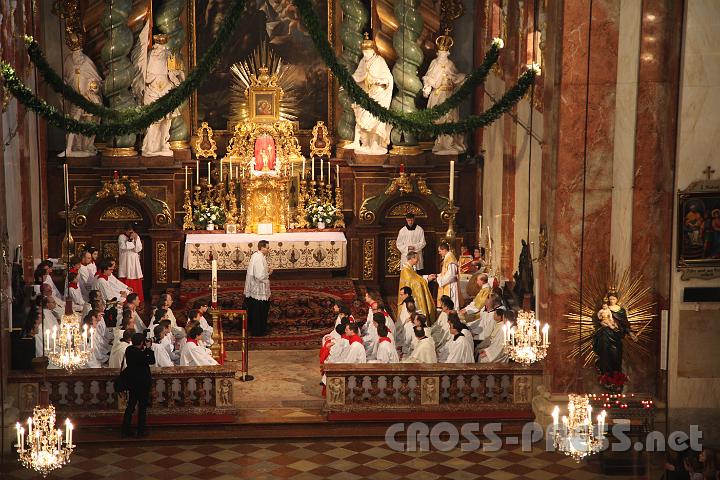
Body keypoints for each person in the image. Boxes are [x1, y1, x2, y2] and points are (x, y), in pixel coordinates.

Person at [349, 33, 393, 154]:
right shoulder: (364, 61)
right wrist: (347, 82)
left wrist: (380, 81)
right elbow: (358, 75)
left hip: (379, 94)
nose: (365, 54)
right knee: (363, 118)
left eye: (367, 52)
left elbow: (388, 78)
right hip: (367, 94)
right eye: (364, 52)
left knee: (376, 120)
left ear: (373, 50)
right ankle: (364, 143)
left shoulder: (380, 61)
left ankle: (375, 144)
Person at [121, 333, 155, 438]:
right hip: (142, 383)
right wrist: (149, 349)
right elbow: (151, 361)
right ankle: (141, 430)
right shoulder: (140, 353)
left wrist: (144, 349)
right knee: (142, 407)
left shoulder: (129, 350)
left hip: (132, 382)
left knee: (130, 406)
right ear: (141, 342)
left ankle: (126, 429)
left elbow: (140, 357)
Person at [398, 252, 436, 324]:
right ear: (412, 258)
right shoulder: (406, 269)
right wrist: (427, 280)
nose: (418, 260)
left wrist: (428, 277)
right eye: (417, 258)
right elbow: (414, 283)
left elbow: (416, 277)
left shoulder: (409, 267)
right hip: (410, 297)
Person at [244, 240, 272, 337]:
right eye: (268, 248)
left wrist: (266, 270)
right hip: (258, 288)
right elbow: (259, 276)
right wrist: (269, 272)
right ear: (262, 248)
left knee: (255, 309)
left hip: (255, 288)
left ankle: (255, 328)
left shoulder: (257, 255)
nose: (269, 249)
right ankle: (258, 331)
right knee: (259, 309)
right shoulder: (259, 258)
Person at [424, 242, 461, 308]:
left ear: (444, 250)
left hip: (450, 286)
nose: (439, 253)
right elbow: (445, 273)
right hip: (448, 283)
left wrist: (438, 280)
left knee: (450, 306)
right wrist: (436, 275)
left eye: (440, 251)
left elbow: (451, 275)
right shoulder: (448, 257)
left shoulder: (450, 259)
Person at [118, 224, 144, 302]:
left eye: (131, 231)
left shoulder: (136, 236)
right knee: (125, 276)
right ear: (125, 231)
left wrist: (135, 240)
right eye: (129, 232)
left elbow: (138, 249)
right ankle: (125, 299)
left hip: (134, 261)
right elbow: (124, 246)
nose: (130, 233)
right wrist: (130, 239)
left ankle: (137, 299)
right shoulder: (121, 237)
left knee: (135, 276)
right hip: (125, 261)